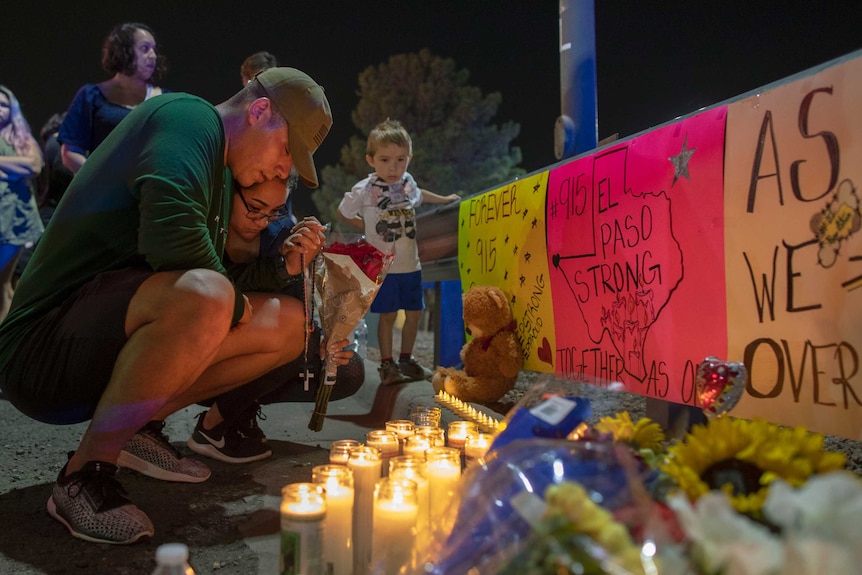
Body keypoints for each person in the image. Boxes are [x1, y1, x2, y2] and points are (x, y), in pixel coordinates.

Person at [0, 67, 343, 545]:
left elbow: (220, 278)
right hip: (40, 346)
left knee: (288, 325)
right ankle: (83, 475)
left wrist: (283, 271)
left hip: (97, 335)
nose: (284, 171)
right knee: (211, 297)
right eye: (287, 151)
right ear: (260, 110)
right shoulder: (189, 117)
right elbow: (174, 240)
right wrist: (237, 307)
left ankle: (136, 429)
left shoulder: (221, 176)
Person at [188, 178, 365, 463]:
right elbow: (213, 284)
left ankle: (240, 409)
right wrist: (282, 267)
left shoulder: (282, 236)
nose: (261, 222)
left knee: (345, 368)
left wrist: (324, 339)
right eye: (254, 209)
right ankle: (213, 426)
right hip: (204, 353)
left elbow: (300, 312)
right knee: (289, 334)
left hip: (261, 351)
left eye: (274, 212)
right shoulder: (202, 229)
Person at [338, 119, 458, 385]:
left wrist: (444, 199)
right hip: (385, 266)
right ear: (371, 160)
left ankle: (407, 359)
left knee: (413, 313)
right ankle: (387, 365)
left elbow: (419, 195)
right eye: (385, 160)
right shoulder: (365, 189)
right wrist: (367, 226)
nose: (393, 167)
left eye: (400, 160)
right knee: (388, 315)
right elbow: (343, 212)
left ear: (409, 159)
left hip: (411, 265)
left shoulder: (407, 183)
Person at [59, 22, 168, 174]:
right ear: (124, 51)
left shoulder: (166, 100)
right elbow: (70, 152)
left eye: (154, 50)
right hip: (109, 192)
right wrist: (101, 183)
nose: (153, 56)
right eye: (145, 49)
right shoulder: (92, 96)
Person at [0, 85, 44, 323]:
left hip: (14, 219)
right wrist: (15, 167)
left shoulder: (21, 138)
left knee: (3, 283)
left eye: (4, 104)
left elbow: (33, 166)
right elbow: (24, 166)